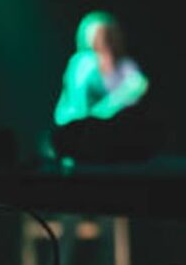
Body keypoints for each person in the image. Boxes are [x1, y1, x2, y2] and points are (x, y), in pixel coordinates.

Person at [51, 11, 161, 162]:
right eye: (95, 35)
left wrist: (113, 104)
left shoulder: (124, 65)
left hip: (106, 132)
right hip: (76, 128)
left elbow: (138, 87)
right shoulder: (82, 63)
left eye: (105, 35)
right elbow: (79, 109)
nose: (100, 40)